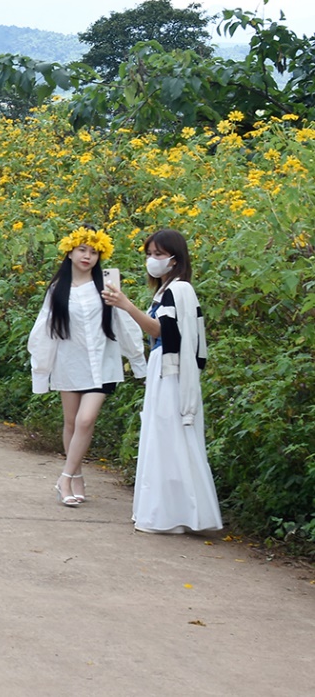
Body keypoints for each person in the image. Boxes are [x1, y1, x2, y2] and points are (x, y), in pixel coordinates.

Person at [102, 228, 221, 533]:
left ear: (174, 258)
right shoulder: (170, 289)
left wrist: (126, 305)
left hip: (170, 371)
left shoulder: (176, 290)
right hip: (167, 368)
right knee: (167, 437)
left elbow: (161, 332)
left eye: (158, 254)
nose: (152, 260)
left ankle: (174, 515)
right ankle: (176, 514)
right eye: (149, 254)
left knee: (169, 435)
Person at [28, 225, 148, 506]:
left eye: (94, 252)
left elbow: (124, 324)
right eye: (82, 249)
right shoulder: (58, 290)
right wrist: (41, 373)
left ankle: (64, 477)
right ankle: (77, 477)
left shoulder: (107, 285)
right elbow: (44, 332)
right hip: (69, 364)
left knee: (86, 419)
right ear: (69, 252)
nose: (87, 256)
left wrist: (137, 363)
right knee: (71, 422)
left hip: (103, 365)